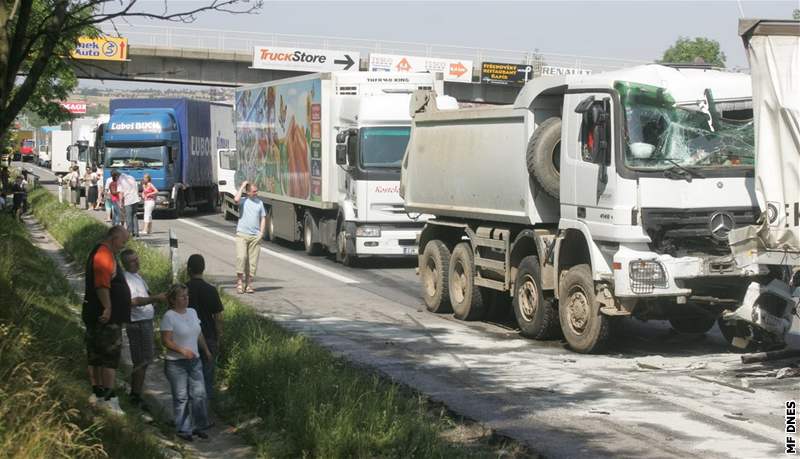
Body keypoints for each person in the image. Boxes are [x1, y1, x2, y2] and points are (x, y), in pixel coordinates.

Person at [82, 225, 131, 416]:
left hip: (96, 313)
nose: (122, 246)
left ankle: (99, 393)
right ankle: (109, 398)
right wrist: (108, 307)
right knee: (108, 357)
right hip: (106, 318)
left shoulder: (102, 251)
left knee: (97, 355)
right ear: (114, 238)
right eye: (122, 242)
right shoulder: (104, 255)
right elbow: (102, 285)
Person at [160, 283, 212, 441]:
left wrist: (206, 350)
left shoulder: (192, 312)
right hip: (176, 363)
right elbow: (166, 341)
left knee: (199, 394)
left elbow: (198, 333)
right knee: (181, 396)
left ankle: (199, 426)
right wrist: (182, 350)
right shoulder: (169, 316)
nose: (186, 298)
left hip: (195, 360)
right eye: (182, 296)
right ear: (173, 300)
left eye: (187, 295)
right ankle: (184, 429)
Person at [121, 249, 166, 411]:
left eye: (137, 259)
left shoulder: (137, 277)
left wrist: (157, 298)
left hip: (145, 322)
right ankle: (135, 395)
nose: (137, 262)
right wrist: (155, 298)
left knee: (145, 360)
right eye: (133, 261)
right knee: (141, 361)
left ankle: (136, 393)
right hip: (138, 324)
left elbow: (147, 295)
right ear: (125, 264)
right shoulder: (128, 279)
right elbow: (134, 301)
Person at [186, 254, 223, 404]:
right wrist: (219, 337)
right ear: (203, 269)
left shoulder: (183, 290)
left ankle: (191, 411)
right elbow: (219, 317)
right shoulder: (211, 290)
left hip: (187, 340)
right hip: (208, 338)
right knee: (207, 378)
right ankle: (205, 412)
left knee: (190, 377)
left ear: (188, 269)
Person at [233, 181, 266, 294]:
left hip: (254, 236)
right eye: (253, 191)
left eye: (257, 191)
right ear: (247, 192)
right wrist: (242, 186)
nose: (256, 193)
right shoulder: (243, 201)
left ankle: (249, 284)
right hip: (242, 234)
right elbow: (236, 200)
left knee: (252, 262)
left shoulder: (260, 203)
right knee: (241, 258)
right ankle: (239, 283)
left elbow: (263, 218)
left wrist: (261, 233)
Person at [117, 172, 140, 237]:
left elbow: (121, 193)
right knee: (134, 215)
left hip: (128, 200)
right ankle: (136, 232)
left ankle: (129, 232)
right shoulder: (131, 177)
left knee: (128, 216)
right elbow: (136, 188)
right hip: (135, 198)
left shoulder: (120, 180)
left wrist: (120, 202)